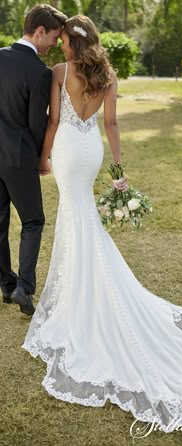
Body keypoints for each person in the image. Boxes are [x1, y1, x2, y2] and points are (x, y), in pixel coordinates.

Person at [22, 15, 182, 433]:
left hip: (66, 151)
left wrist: (44, 157)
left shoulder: (59, 72)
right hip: (91, 151)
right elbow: (112, 124)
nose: (60, 47)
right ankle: (82, 284)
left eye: (63, 41)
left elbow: (53, 121)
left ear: (71, 43)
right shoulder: (107, 75)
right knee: (82, 220)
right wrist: (118, 170)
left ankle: (81, 294)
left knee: (76, 217)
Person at [0, 4, 67, 315]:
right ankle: (24, 287)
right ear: (40, 32)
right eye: (54, 37)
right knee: (33, 221)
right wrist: (44, 158)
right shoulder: (39, 72)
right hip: (19, 158)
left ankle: (6, 284)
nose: (54, 43)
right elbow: (38, 124)